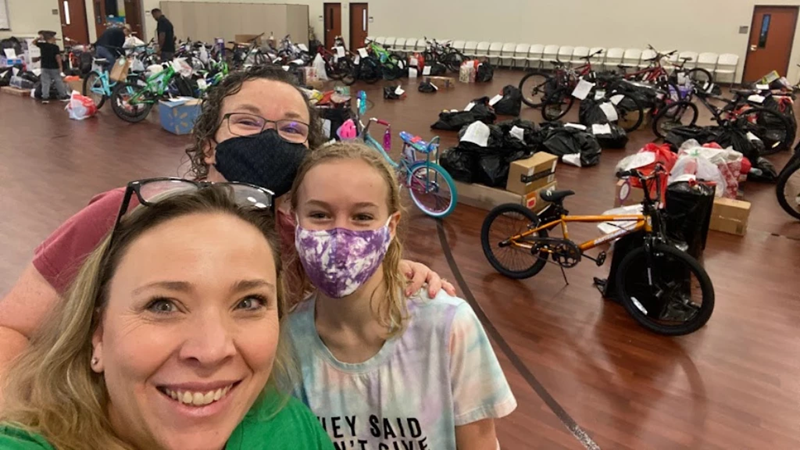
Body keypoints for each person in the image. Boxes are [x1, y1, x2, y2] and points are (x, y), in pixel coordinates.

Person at [0, 65, 453, 388]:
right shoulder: (127, 213)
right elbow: (12, 329)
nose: (269, 137)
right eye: (247, 121)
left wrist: (394, 269)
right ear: (209, 145)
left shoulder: (301, 241)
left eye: (291, 129)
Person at [0, 185, 334, 449]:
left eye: (248, 302)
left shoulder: (287, 430)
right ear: (97, 333)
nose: (211, 351)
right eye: (162, 305)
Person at [287, 142, 516, 449]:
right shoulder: (286, 344)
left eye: (362, 217)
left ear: (391, 226)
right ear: (295, 221)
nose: (341, 235)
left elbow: (479, 442)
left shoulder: (448, 326)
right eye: (319, 214)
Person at [34, 31, 68, 104]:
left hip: (44, 67)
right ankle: (63, 96)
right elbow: (58, 57)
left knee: (45, 82)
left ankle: (45, 98)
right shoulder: (55, 47)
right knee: (58, 81)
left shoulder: (42, 45)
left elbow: (34, 42)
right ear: (52, 38)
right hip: (54, 67)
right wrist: (60, 66)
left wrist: (39, 38)